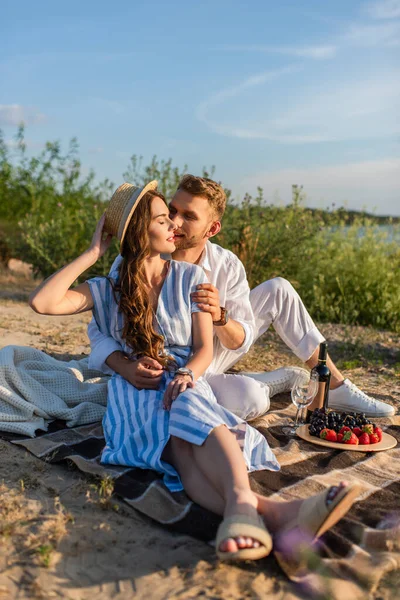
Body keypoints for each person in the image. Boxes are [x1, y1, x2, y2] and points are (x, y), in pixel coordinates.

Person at [29, 181, 360, 562]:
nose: (174, 224)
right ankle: (273, 513)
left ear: (211, 226)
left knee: (189, 406)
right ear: (140, 232)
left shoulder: (193, 278)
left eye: (182, 216)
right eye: (164, 216)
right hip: (133, 393)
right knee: (179, 452)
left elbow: (206, 349)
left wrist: (187, 373)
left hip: (188, 376)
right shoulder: (109, 287)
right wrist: (92, 252)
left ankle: (241, 508)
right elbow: (43, 302)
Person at [88, 175, 395, 421]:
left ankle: (334, 386)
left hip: (209, 356)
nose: (175, 222)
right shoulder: (137, 258)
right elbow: (98, 327)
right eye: (172, 210)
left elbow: (241, 340)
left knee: (279, 288)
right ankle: (274, 380)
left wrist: (219, 316)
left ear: (213, 228)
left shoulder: (226, 265)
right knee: (249, 398)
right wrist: (124, 367)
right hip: (162, 365)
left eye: (189, 216)